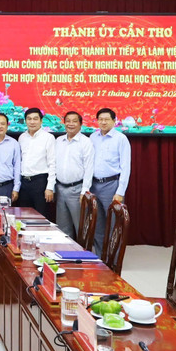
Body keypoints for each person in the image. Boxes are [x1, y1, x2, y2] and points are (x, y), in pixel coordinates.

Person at [90, 108, 131, 253]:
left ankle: (113, 259)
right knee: (97, 224)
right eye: (100, 119)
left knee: (114, 224)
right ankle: (101, 257)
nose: (103, 122)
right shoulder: (93, 137)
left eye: (106, 119)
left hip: (112, 186)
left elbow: (126, 167)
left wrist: (120, 191)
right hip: (94, 185)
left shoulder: (121, 139)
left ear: (114, 121)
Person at [55, 111, 94, 240]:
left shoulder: (86, 142)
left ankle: (85, 256)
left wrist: (85, 191)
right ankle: (65, 256)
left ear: (80, 124)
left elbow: (89, 167)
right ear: (64, 123)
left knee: (81, 226)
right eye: (68, 121)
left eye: (74, 121)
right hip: (60, 189)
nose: (70, 124)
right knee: (62, 228)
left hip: (77, 190)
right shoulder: (58, 141)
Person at [18, 107, 56, 220]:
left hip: (40, 183)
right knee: (24, 216)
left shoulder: (48, 138)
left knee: (41, 217)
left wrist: (50, 187)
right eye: (29, 119)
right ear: (25, 121)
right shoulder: (22, 137)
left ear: (41, 121)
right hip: (24, 183)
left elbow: (52, 163)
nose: (32, 122)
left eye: (35, 119)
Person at [0, 113, 21, 206]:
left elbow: (17, 167)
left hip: (7, 187)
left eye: (2, 124)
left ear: (7, 125)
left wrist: (16, 188)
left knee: (6, 217)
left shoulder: (14, 143)